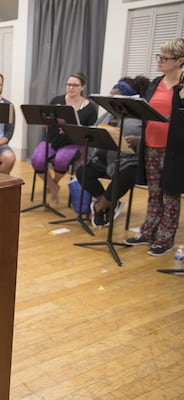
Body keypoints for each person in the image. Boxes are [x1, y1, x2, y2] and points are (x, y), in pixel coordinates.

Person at [124, 38, 184, 256]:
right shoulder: (155, 83)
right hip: (150, 144)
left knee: (170, 194)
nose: (159, 61)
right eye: (159, 56)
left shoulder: (183, 85)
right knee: (154, 192)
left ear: (180, 61)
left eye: (164, 58)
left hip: (173, 149)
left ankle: (165, 238)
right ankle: (148, 232)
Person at [76, 76, 150, 228]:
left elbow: (146, 140)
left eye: (113, 97)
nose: (110, 101)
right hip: (104, 160)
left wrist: (136, 140)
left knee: (125, 176)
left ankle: (99, 207)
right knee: (82, 171)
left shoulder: (138, 118)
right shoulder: (108, 115)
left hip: (126, 162)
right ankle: (109, 203)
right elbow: (94, 129)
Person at [31, 72, 98, 203]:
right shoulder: (57, 101)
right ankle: (53, 186)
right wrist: (44, 122)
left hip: (74, 143)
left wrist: (70, 130)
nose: (71, 88)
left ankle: (54, 183)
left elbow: (90, 131)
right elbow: (46, 121)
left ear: (82, 87)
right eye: (68, 85)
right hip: (52, 140)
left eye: (75, 85)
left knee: (61, 160)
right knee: (37, 160)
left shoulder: (90, 108)